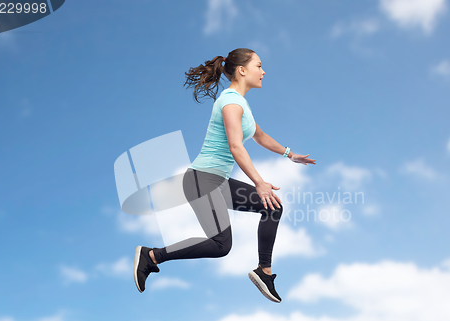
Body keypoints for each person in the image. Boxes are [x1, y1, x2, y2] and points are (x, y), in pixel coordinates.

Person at [134, 48, 315, 302]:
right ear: (242, 70)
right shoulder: (230, 101)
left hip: (217, 181)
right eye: (259, 66)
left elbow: (260, 137)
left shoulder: (241, 104)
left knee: (273, 208)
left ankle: (264, 272)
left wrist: (289, 154)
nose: (263, 72)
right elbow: (236, 146)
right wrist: (259, 182)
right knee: (221, 245)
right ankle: (151, 256)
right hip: (201, 179)